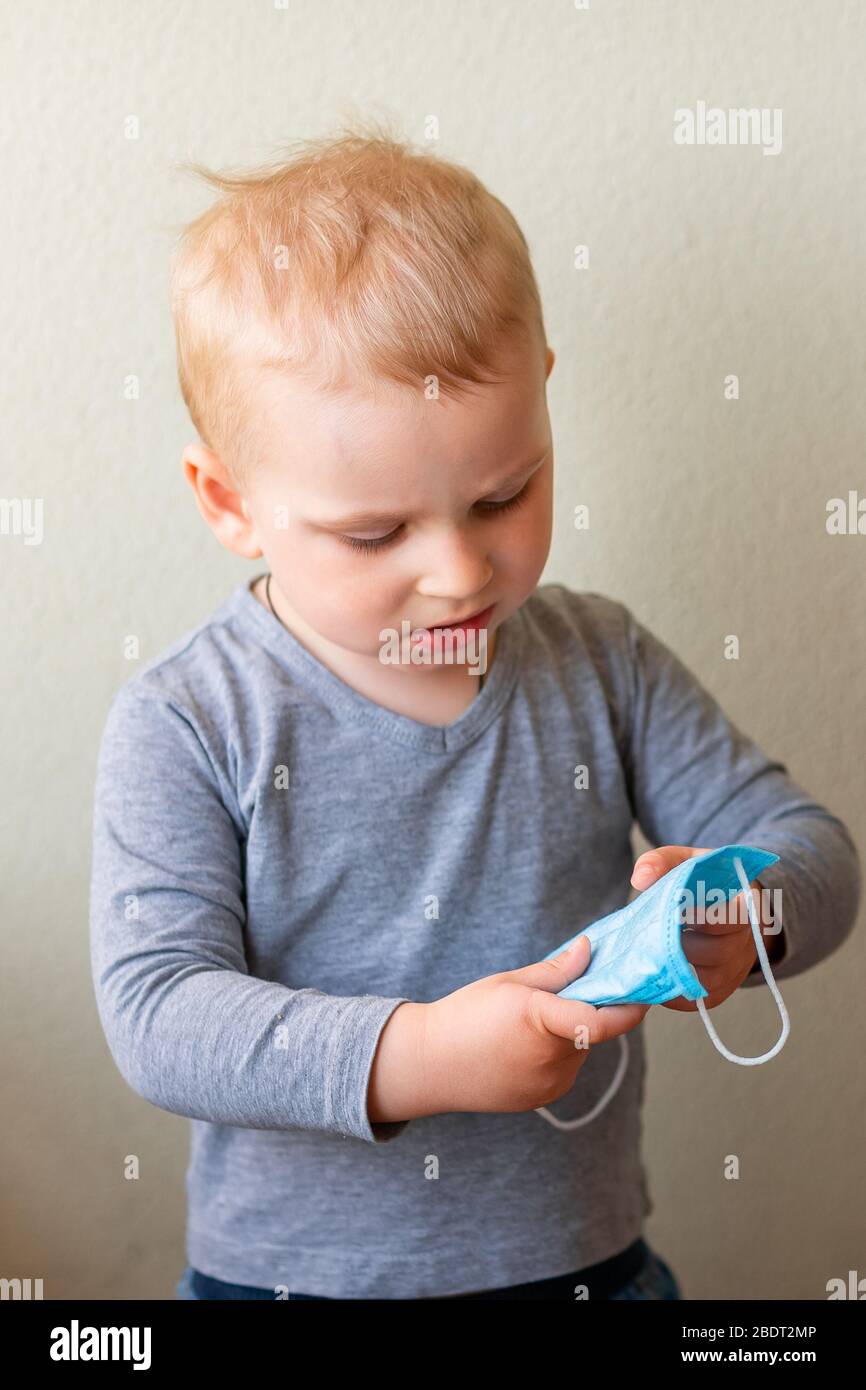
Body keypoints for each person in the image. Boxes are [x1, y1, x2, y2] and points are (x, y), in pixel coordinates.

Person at [89, 123, 860, 1301]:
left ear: (542, 399)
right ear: (228, 500)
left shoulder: (600, 661)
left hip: (581, 1275)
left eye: (503, 493)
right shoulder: (190, 719)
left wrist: (737, 913)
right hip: (293, 1287)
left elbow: (818, 858)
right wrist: (419, 1056)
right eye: (374, 532)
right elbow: (160, 1012)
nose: (458, 571)